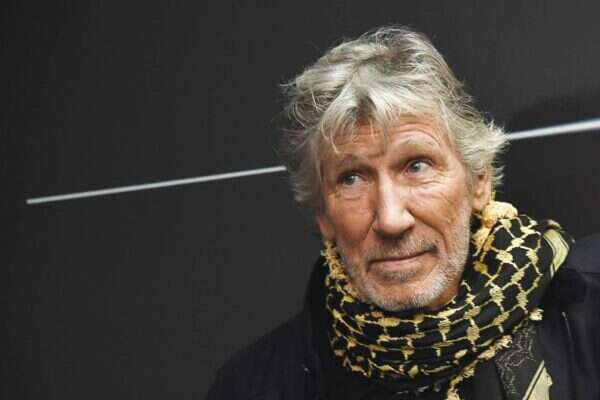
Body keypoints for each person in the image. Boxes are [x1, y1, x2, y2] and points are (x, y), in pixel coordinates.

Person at [206, 26, 599, 399]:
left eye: (417, 166)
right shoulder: (254, 388)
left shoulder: (590, 308)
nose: (391, 220)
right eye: (352, 179)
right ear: (323, 214)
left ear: (478, 181)